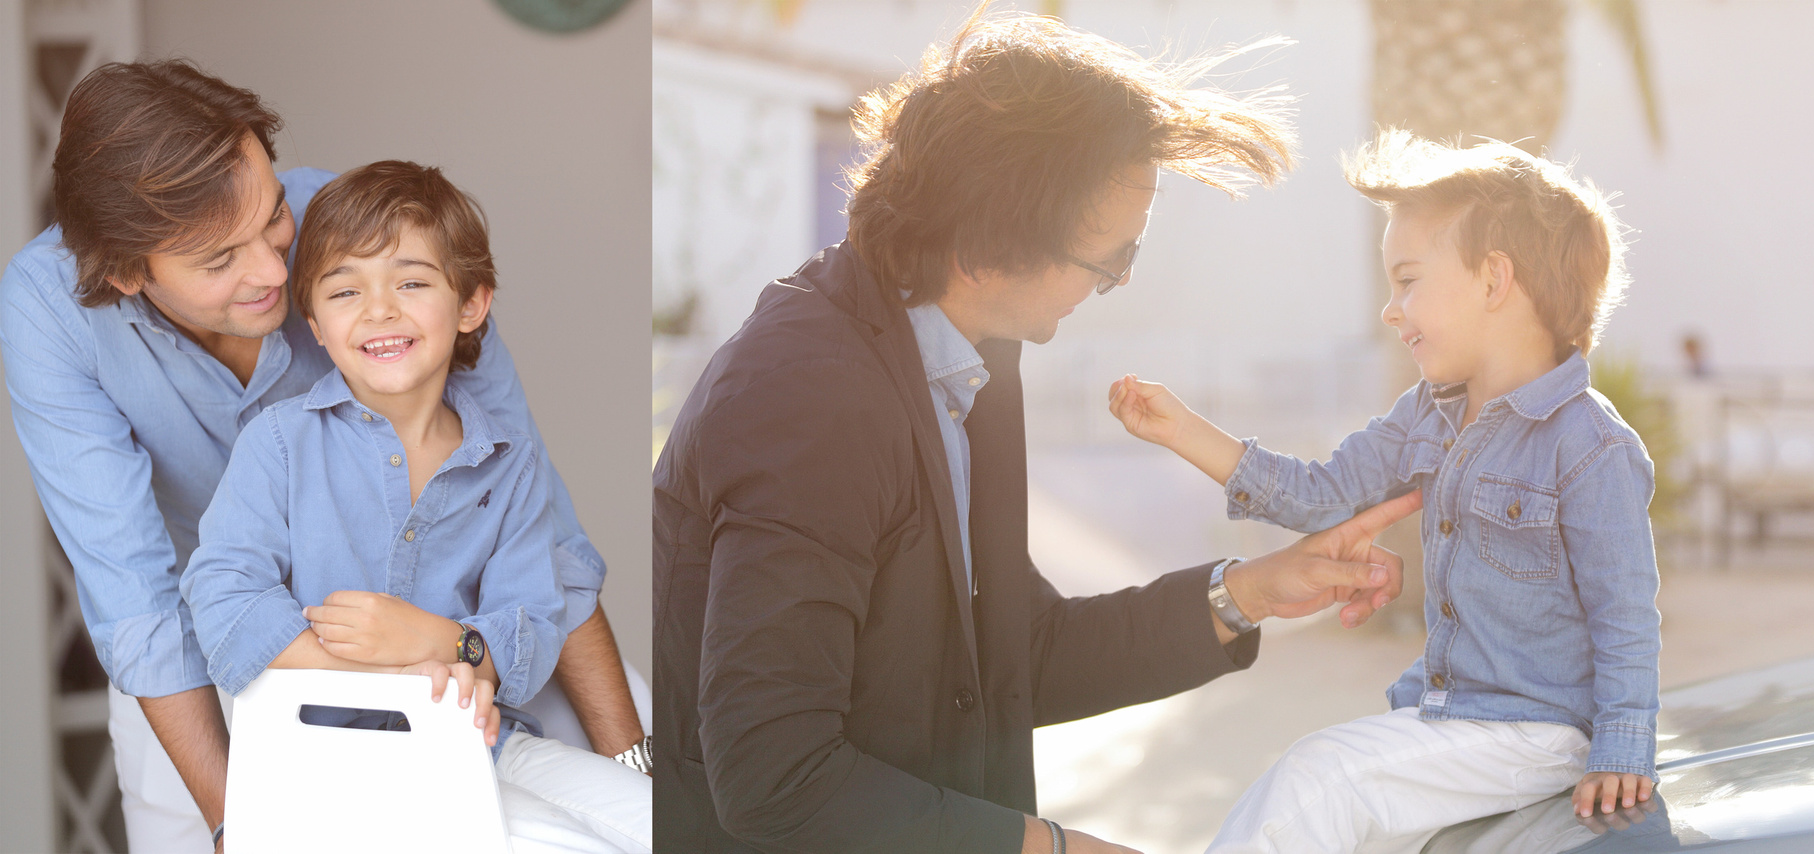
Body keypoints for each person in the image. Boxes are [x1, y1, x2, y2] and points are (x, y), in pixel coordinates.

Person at [652, 11, 1424, 853]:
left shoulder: (961, 358)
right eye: (1109, 263)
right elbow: (774, 776)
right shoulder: (806, 402)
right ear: (985, 246)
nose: (1116, 285)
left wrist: (1250, 592)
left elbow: (1016, 656)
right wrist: (1052, 849)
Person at [0, 61, 641, 853]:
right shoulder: (48, 311)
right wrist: (239, 822)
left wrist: (627, 756)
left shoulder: (367, 243)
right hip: (221, 663)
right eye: (219, 260)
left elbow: (540, 533)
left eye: (270, 218)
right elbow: (143, 603)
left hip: (462, 667)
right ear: (132, 275)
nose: (277, 270)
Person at [1109, 130, 1661, 852]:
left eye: (1407, 280)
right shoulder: (1425, 414)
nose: (1390, 309)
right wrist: (1186, 432)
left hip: (1537, 732)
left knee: (1320, 780)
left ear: (1495, 281)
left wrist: (1621, 751)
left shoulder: (1592, 448)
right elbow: (1320, 495)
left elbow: (1626, 615)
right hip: (1448, 717)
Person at [179, 161, 650, 852]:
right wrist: (398, 675)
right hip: (321, 765)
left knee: (648, 821)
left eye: (410, 282)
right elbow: (225, 600)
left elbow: (528, 630)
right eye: (345, 290)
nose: (379, 310)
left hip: (474, 742)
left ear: (470, 305)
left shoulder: (510, 462)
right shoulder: (278, 443)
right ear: (314, 321)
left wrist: (434, 641)